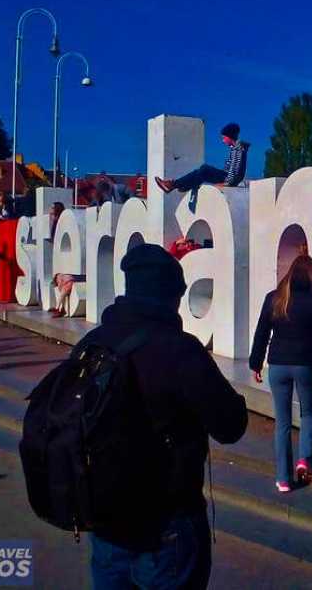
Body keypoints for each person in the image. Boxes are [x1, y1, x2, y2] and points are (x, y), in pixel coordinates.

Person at [83, 243, 247, 590]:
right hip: (166, 524)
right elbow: (231, 426)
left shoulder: (91, 344)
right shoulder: (179, 349)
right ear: (171, 297)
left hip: (106, 520)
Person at [249, 254, 312, 493]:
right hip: (305, 365)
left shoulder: (274, 298)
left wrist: (255, 364)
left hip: (277, 366)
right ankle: (304, 460)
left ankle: (283, 479)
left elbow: (261, 334)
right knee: (307, 414)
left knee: (282, 422)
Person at [155, 123, 249, 194]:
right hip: (227, 176)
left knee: (204, 169)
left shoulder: (238, 149)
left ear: (229, 136)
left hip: (229, 179)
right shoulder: (235, 149)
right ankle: (178, 185)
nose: (223, 140)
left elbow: (235, 170)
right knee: (199, 172)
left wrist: (228, 183)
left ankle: (176, 185)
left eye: (224, 138)